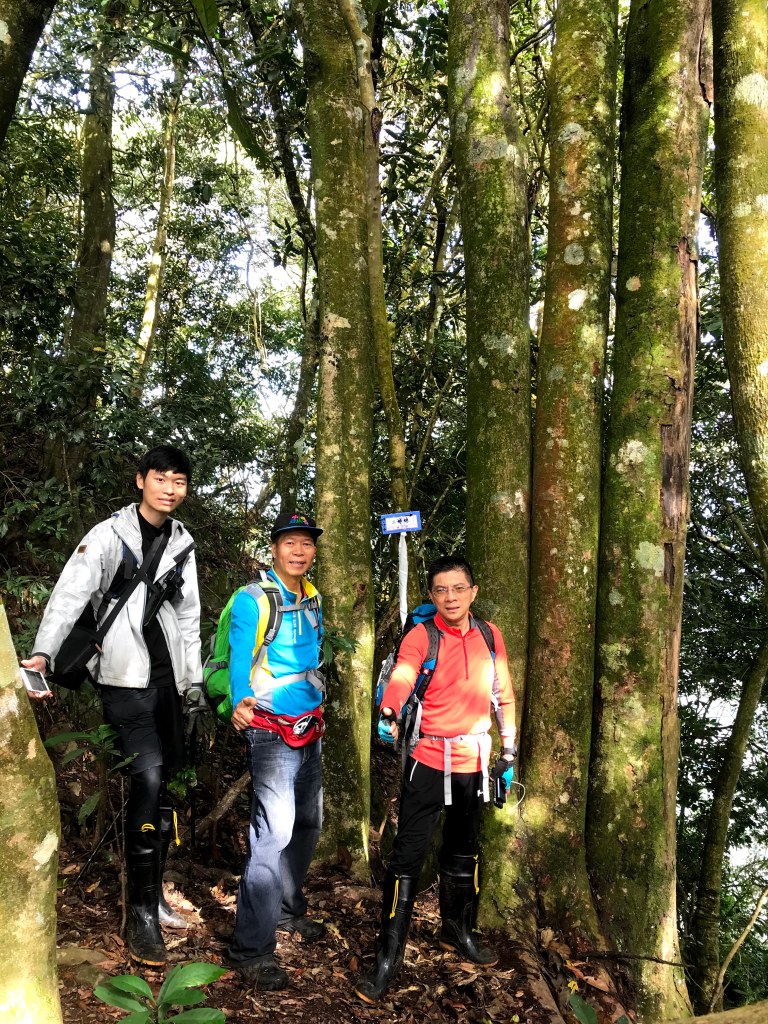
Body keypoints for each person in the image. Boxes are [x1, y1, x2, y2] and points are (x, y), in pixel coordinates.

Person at [22, 445, 202, 966]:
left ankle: (154, 895)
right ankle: (139, 914)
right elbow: (70, 595)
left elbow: (188, 618)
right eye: (161, 478)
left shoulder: (183, 543)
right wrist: (43, 654)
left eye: (179, 481)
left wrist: (192, 684)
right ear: (141, 480)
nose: (170, 489)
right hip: (123, 677)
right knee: (147, 777)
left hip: (168, 680)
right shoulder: (109, 535)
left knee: (165, 784)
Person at [354, 555, 517, 1004]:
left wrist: (509, 751)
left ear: (473, 592)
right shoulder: (422, 635)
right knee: (407, 857)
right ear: (432, 595)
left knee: (464, 850)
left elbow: (503, 695)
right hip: (426, 759)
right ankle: (387, 958)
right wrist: (389, 709)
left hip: (473, 762)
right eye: (442, 590)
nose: (451, 597)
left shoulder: (490, 635)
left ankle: (458, 930)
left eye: (459, 588)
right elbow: (404, 674)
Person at [227, 511, 326, 992]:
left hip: (310, 725)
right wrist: (239, 701)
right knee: (273, 833)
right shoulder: (253, 599)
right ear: (274, 549)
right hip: (269, 729)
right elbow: (239, 660)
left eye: (306, 543)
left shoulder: (312, 597)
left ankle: (286, 910)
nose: (299, 551)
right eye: (290, 543)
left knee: (309, 823)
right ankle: (251, 950)